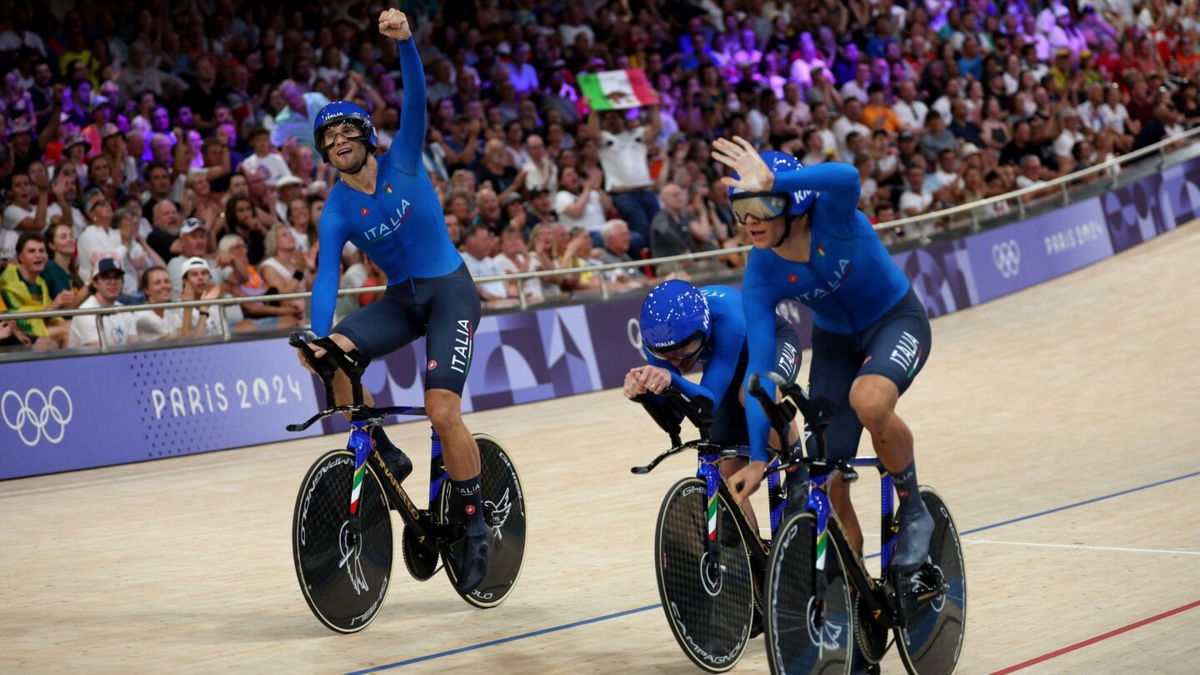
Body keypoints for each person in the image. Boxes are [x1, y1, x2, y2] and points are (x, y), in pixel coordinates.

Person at [302, 9, 490, 594]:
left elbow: (417, 101)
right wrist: (316, 334)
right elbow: (326, 278)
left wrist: (406, 43)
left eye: (345, 133)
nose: (338, 143)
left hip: (451, 294)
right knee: (329, 354)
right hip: (404, 301)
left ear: (364, 136)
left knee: (441, 412)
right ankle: (382, 449)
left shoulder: (403, 158)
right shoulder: (335, 209)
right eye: (327, 140)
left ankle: (476, 523)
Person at [711, 138, 934, 574]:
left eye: (762, 208)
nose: (750, 223)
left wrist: (777, 179)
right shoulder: (760, 271)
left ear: (792, 205)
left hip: (895, 321)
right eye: (740, 211)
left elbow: (847, 176)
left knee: (869, 402)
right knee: (824, 473)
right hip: (835, 345)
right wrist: (759, 457)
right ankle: (853, 591)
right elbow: (759, 368)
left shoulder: (832, 215)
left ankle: (913, 510)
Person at [623, 280, 801, 524]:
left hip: (771, 342)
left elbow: (711, 401)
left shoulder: (728, 319)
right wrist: (643, 393)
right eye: (666, 355)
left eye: (686, 348)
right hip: (727, 363)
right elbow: (674, 417)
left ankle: (799, 470)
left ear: (704, 330)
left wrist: (671, 378)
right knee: (726, 471)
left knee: (754, 394)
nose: (676, 360)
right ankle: (749, 556)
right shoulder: (658, 340)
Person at [67, 257, 139, 348]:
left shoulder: (125, 311)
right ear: (95, 283)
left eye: (117, 277)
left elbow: (134, 348)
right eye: (106, 277)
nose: (112, 282)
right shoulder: (85, 313)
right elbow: (99, 356)